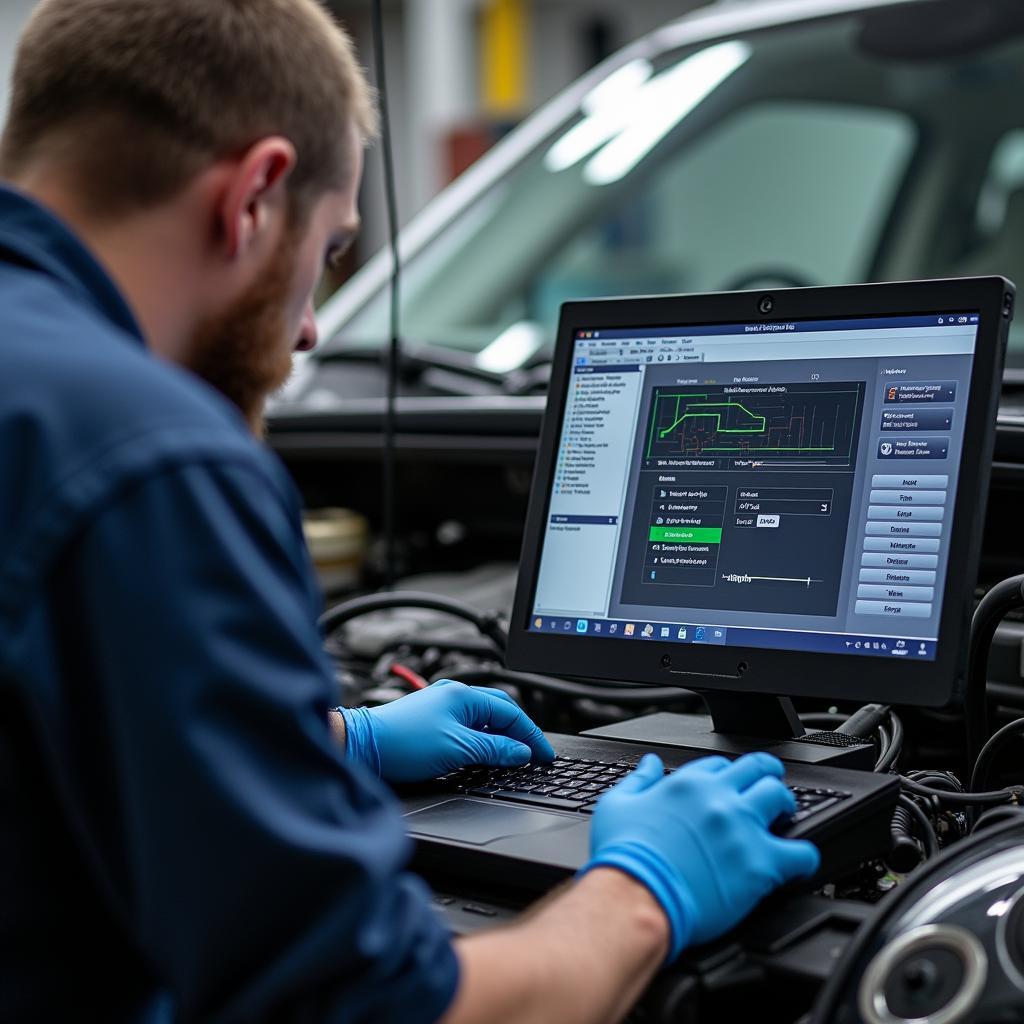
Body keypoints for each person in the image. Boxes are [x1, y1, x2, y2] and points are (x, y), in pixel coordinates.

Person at [0, 2, 820, 1021]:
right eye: (333, 248)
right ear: (253, 196)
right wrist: (644, 890)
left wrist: (337, 742)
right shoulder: (151, 455)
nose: (307, 329)